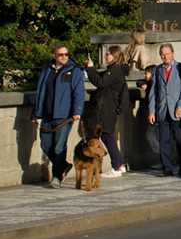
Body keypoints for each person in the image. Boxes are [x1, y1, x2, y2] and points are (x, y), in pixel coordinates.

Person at [31, 44, 86, 187]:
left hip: (65, 115)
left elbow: (79, 92)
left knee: (59, 147)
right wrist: (36, 113)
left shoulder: (74, 71)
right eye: (60, 54)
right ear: (54, 56)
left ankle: (56, 177)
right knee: (45, 145)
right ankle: (64, 166)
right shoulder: (47, 70)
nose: (63, 57)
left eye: (66, 54)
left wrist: (77, 111)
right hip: (47, 114)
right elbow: (41, 92)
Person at [147, 43, 181, 177]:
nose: (165, 57)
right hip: (162, 110)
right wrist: (151, 110)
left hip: (177, 110)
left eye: (167, 54)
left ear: (173, 53)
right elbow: (153, 92)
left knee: (179, 138)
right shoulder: (157, 70)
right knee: (164, 140)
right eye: (162, 54)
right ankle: (167, 168)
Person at [85, 45, 130, 176]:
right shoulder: (115, 70)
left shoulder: (115, 70)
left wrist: (91, 68)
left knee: (108, 137)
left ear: (115, 56)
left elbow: (100, 82)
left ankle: (116, 166)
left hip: (106, 109)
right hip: (107, 108)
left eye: (108, 54)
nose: (105, 56)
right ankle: (119, 165)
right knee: (108, 137)